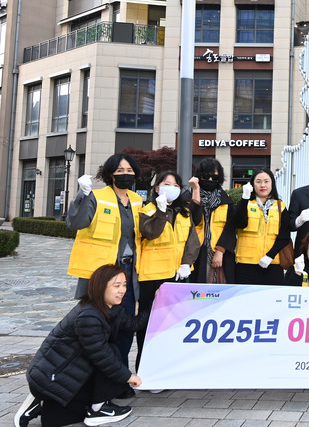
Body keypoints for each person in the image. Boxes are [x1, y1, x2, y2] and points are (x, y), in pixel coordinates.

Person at [14, 265, 146, 427]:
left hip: (70, 372)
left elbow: (134, 324)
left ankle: (41, 402)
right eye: (116, 285)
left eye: (124, 285)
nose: (122, 290)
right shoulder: (89, 315)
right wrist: (128, 377)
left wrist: (158, 302)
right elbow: (102, 356)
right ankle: (98, 409)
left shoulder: (111, 308)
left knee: (59, 419)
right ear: (100, 287)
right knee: (111, 353)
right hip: (52, 376)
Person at [66, 153, 144, 367]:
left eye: (129, 171)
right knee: (100, 324)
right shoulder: (96, 196)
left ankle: (121, 373)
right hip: (103, 272)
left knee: (125, 323)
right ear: (111, 174)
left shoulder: (137, 200)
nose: (125, 174)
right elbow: (75, 223)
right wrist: (82, 195)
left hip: (130, 272)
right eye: (120, 171)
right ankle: (98, 376)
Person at [136, 170, 200, 368]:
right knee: (149, 324)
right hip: (152, 275)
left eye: (176, 185)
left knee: (173, 324)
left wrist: (186, 263)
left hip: (176, 275)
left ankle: (167, 367)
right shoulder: (147, 210)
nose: (171, 188)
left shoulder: (184, 212)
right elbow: (150, 232)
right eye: (166, 184)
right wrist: (161, 212)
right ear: (157, 188)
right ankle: (144, 368)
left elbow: (193, 240)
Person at [232, 168, 290, 285]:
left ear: (272, 183)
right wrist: (245, 198)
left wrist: (270, 256)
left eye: (266, 181)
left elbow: (284, 235)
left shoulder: (280, 206)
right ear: (252, 184)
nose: (262, 185)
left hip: (272, 264)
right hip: (246, 264)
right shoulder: (246, 204)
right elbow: (239, 223)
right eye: (258, 181)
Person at [190, 158, 237, 284]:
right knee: (197, 290)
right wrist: (196, 191)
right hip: (196, 252)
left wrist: (220, 251)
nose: (210, 180)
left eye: (214, 177)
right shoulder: (189, 198)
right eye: (206, 176)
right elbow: (193, 220)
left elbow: (230, 228)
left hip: (220, 252)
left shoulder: (226, 200)